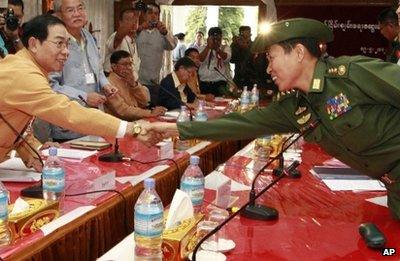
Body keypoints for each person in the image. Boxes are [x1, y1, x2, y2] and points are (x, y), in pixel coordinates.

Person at [150, 18, 400, 219]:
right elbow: (239, 124)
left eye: (271, 57)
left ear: (299, 53)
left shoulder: (351, 75)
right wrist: (175, 129)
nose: (268, 68)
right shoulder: (296, 107)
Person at [0, 14, 159, 185]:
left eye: (67, 45)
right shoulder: (21, 73)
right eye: (59, 43)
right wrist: (133, 129)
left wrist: (31, 152)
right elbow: (68, 112)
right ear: (34, 44)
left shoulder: (26, 68)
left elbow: (10, 121)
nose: (66, 52)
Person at [48, 0, 118, 142]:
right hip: (68, 124)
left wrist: (106, 85)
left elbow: (97, 70)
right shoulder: (55, 43)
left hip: (93, 119)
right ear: (60, 16)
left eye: (80, 8)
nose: (77, 14)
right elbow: (50, 86)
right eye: (70, 10)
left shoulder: (89, 37)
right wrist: (84, 96)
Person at [106, 50, 167, 120]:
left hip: (136, 120)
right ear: (114, 66)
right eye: (125, 64)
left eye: (130, 64)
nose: (129, 68)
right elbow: (122, 110)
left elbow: (145, 102)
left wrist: (134, 85)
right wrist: (149, 113)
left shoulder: (129, 79)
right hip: (120, 123)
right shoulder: (108, 83)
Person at [136, 3, 177, 105]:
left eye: (156, 13)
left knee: (152, 111)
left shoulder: (162, 32)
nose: (153, 16)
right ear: (144, 15)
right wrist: (139, 28)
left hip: (153, 82)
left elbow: (172, 46)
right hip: (136, 81)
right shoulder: (137, 30)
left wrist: (165, 33)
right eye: (150, 13)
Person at [104, 8, 140, 80]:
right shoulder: (116, 36)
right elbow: (119, 37)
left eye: (135, 21)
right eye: (128, 20)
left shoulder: (133, 40)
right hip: (113, 83)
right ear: (120, 22)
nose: (133, 23)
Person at [198, 27, 231, 96]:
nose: (216, 41)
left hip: (219, 83)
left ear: (221, 38)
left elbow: (227, 58)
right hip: (204, 83)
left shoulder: (225, 48)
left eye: (218, 39)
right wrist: (208, 47)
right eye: (214, 39)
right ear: (208, 38)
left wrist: (217, 49)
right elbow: (199, 60)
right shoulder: (202, 48)